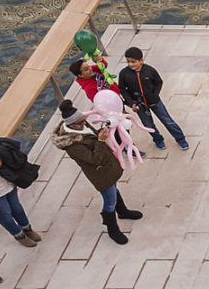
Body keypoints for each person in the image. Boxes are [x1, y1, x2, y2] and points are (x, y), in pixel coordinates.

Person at [53, 101, 143, 245]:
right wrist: (101, 141)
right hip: (100, 173)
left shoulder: (81, 125)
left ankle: (123, 211)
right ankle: (112, 229)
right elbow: (94, 159)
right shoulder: (72, 145)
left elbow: (93, 138)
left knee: (113, 188)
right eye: (79, 123)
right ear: (70, 125)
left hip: (108, 168)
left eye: (84, 121)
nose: (84, 124)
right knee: (109, 201)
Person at [116, 45, 189, 150]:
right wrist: (131, 102)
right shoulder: (124, 74)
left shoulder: (150, 70)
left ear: (141, 60)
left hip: (155, 102)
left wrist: (155, 96)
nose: (130, 64)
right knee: (148, 124)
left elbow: (159, 82)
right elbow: (122, 89)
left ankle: (180, 138)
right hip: (139, 105)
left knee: (167, 121)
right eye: (128, 62)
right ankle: (158, 140)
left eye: (133, 62)